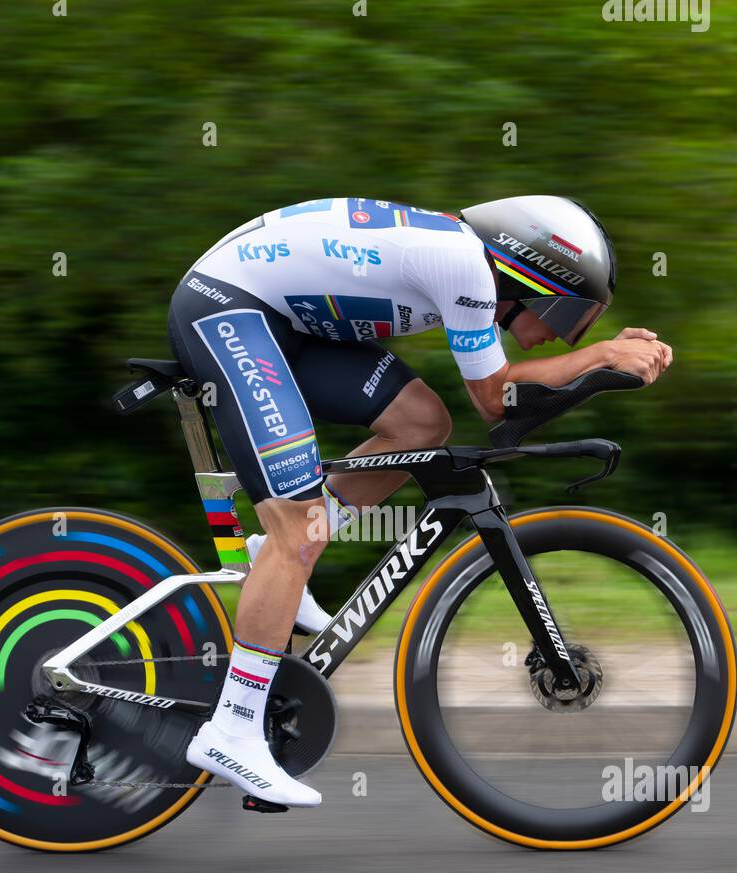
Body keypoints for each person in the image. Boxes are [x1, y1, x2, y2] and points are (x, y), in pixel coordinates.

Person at [166, 195, 671, 808]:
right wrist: (602, 356)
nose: (559, 335)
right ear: (532, 277)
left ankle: (275, 566)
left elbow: (503, 408)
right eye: (569, 316)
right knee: (295, 533)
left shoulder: (460, 260)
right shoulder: (463, 266)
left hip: (284, 323)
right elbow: (495, 400)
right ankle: (233, 728)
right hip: (230, 310)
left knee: (420, 422)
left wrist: (600, 362)